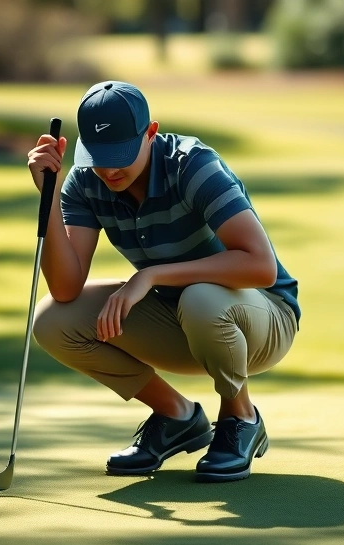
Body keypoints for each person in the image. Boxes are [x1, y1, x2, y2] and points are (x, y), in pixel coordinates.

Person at [27, 81, 300, 483]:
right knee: (52, 320)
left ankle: (240, 417)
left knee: (201, 299)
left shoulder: (191, 164)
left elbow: (261, 267)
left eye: (120, 154)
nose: (110, 170)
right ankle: (176, 415)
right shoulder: (86, 182)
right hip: (184, 320)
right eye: (99, 156)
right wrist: (47, 196)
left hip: (262, 320)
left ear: (151, 133)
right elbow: (66, 289)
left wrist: (151, 275)